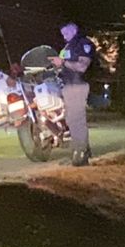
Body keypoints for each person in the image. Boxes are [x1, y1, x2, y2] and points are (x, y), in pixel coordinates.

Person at [49, 22, 94, 165]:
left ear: (74, 30)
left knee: (76, 119)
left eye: (67, 33)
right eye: (62, 34)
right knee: (70, 119)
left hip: (78, 84)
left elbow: (82, 66)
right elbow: (62, 65)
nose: (64, 36)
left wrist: (62, 63)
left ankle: (80, 152)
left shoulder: (83, 43)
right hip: (67, 86)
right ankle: (82, 150)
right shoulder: (67, 47)